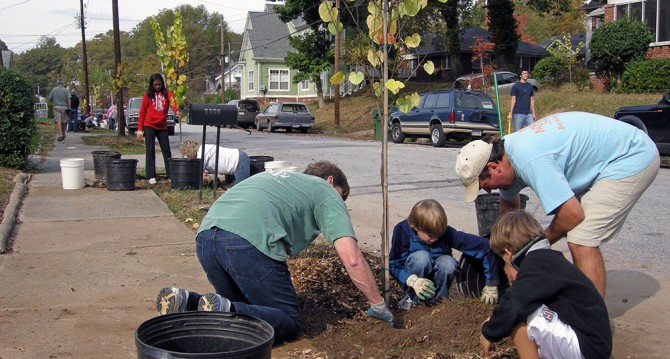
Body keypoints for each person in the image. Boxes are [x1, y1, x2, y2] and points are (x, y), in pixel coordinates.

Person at [155, 161, 395, 343]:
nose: (341, 205)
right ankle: (220, 307)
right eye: (342, 198)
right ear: (331, 181)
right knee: (288, 320)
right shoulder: (326, 191)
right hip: (246, 243)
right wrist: (378, 304)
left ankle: (186, 300)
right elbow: (352, 259)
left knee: (238, 311)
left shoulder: (279, 180)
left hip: (206, 239)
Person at [455, 112, 660, 297]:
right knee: (579, 236)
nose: (488, 190)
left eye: (484, 184)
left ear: (493, 167)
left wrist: (527, 251)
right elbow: (508, 211)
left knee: (582, 239)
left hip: (630, 156)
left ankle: (591, 325)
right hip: (611, 157)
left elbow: (572, 215)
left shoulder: (528, 158)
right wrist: (505, 255)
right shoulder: (506, 155)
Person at [480, 210, 611, 359]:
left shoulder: (536, 264)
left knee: (518, 317)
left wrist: (489, 332)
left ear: (508, 252)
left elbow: (514, 304)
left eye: (503, 258)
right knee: (525, 306)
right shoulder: (547, 260)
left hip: (587, 349)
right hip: (593, 343)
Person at [389, 199, 501, 310]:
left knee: (448, 263)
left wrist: (492, 283)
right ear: (415, 227)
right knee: (421, 258)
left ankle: (440, 303)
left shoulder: (446, 233)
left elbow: (485, 246)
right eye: (431, 235)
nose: (435, 239)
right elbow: (394, 265)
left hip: (439, 273)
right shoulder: (402, 230)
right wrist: (412, 280)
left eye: (438, 235)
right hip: (415, 277)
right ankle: (414, 300)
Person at [136, 73, 182, 185]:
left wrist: (177, 112)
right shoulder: (147, 95)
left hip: (162, 126)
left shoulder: (167, 94)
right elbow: (142, 113)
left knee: (166, 151)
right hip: (149, 125)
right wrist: (139, 129)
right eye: (155, 85)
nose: (157, 87)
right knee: (150, 150)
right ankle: (151, 175)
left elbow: (173, 103)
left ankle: (171, 175)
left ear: (162, 83)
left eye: (159, 84)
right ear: (152, 85)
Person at [179, 140, 250, 185]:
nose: (188, 157)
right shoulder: (203, 148)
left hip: (238, 161)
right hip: (233, 162)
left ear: (191, 151)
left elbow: (198, 173)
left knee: (242, 188)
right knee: (230, 185)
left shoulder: (202, 153)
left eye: (187, 155)